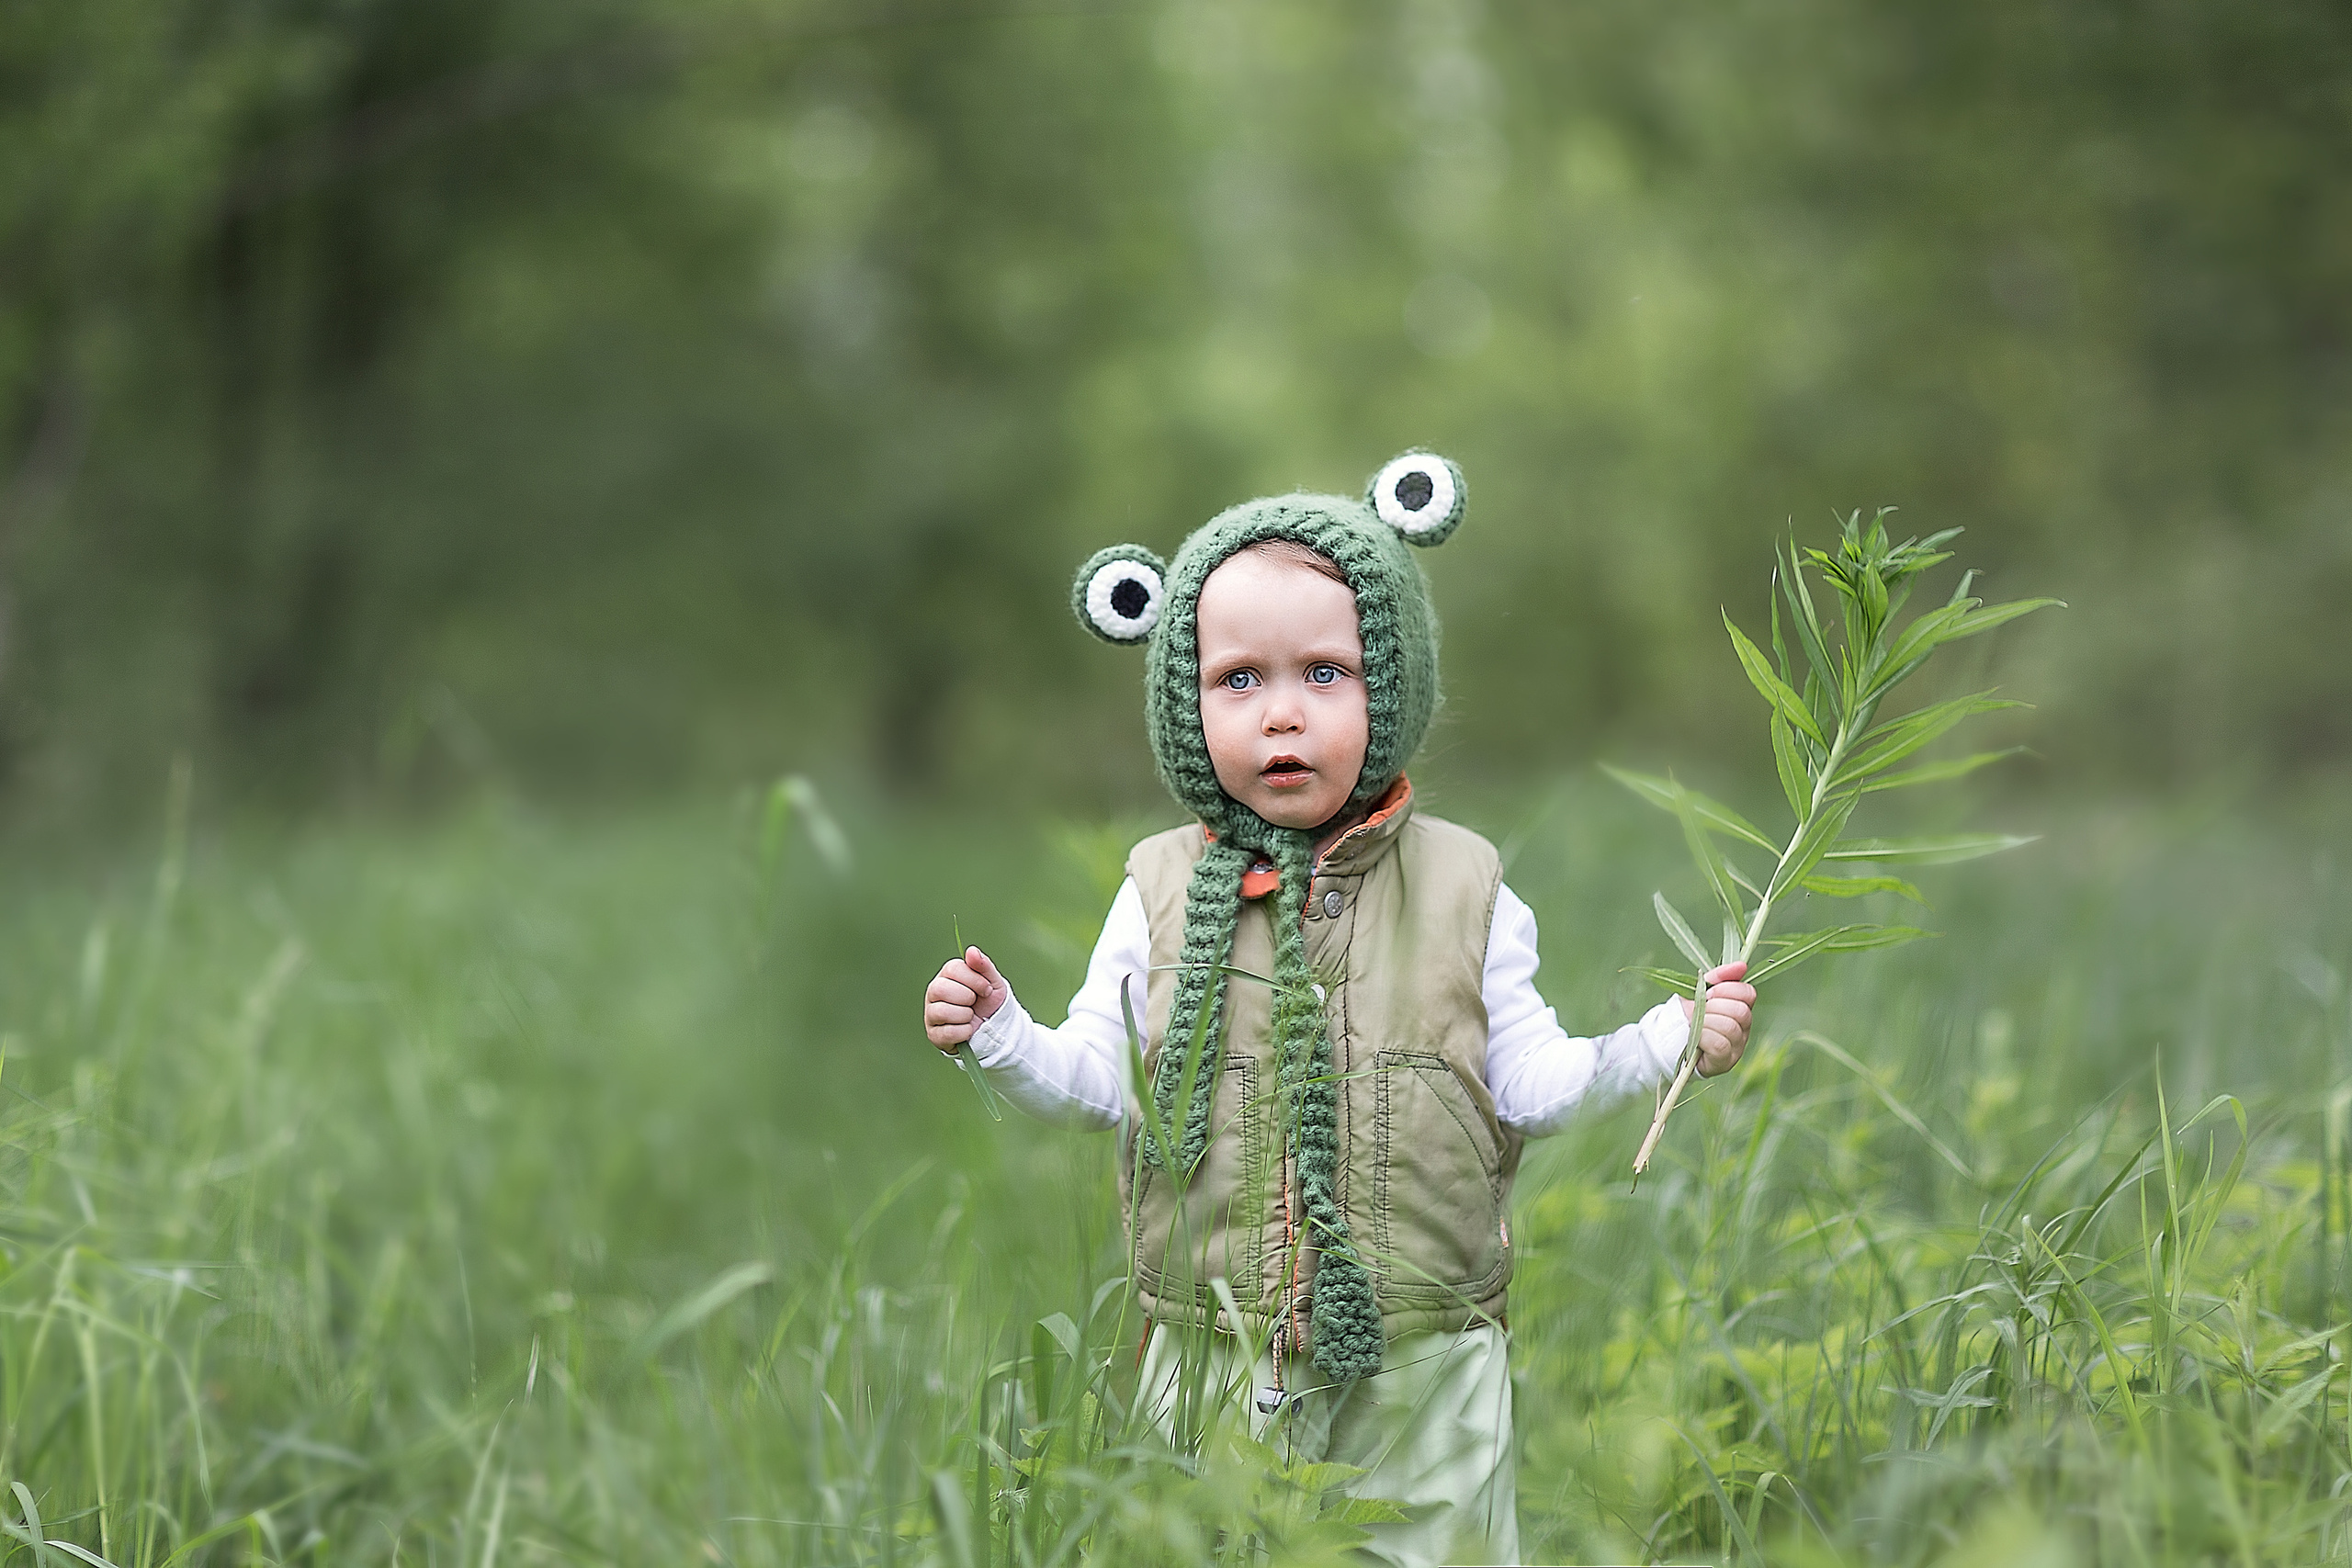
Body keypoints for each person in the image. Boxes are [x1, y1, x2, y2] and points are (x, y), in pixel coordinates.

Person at [921, 453, 1755, 1566]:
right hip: (1216, 1342)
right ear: (1183, 699)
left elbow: (1528, 1085)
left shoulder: (1466, 886)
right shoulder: (1160, 888)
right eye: (1237, 680)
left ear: (1392, 683)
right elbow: (1104, 1083)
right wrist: (1002, 1035)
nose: (1281, 714)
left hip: (1425, 1349)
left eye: (1325, 673)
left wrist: (1667, 1040)